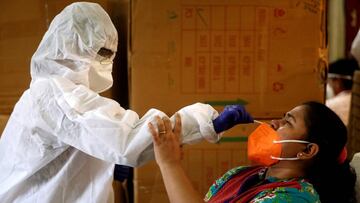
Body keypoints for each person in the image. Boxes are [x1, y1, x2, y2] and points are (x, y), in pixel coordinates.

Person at [0, 2, 251, 202]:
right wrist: (204, 120)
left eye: (110, 54)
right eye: (101, 53)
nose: (106, 62)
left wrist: (104, 167)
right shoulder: (57, 96)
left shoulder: (51, 93)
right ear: (70, 48)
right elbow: (127, 138)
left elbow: (85, 141)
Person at [149, 101, 357, 203]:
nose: (274, 122)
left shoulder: (297, 198)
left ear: (308, 150)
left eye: (288, 122)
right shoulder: (240, 174)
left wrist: (170, 164)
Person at [326, 58, 359, 126]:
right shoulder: (356, 102)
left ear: (338, 81)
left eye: (330, 80)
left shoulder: (330, 106)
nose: (329, 84)